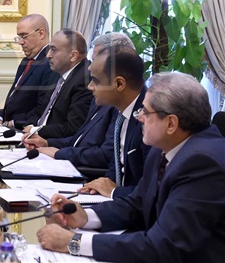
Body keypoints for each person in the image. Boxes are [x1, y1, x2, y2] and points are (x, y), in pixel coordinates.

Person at [37, 72, 225, 262]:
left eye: (146, 111)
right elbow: (137, 204)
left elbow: (165, 246)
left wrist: (74, 242)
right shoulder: (163, 148)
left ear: (171, 123)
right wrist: (85, 216)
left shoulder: (202, 163)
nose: (139, 117)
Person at [22, 33, 135, 167]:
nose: (90, 66)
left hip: (85, 170)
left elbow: (107, 156)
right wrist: (47, 143)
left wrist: (59, 153)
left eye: (95, 60)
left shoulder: (124, 106)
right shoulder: (102, 98)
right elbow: (80, 139)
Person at [78, 45, 150, 198]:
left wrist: (113, 191)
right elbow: (117, 164)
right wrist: (102, 185)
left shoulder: (149, 120)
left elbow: (150, 192)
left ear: (119, 84)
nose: (90, 87)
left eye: (95, 80)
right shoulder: (121, 111)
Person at [22, 29, 93, 139]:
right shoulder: (57, 73)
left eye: (53, 50)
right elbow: (41, 112)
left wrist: (35, 130)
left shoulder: (84, 80)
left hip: (54, 144)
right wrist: (25, 125)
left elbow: (73, 128)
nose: (48, 55)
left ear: (73, 56)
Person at [0, 14, 59, 129]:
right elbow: (14, 98)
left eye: (24, 36)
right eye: (19, 37)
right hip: (7, 128)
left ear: (41, 33)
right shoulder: (26, 61)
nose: (20, 42)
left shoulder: (50, 63)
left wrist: (12, 123)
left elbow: (42, 108)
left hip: (25, 130)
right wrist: (0, 118)